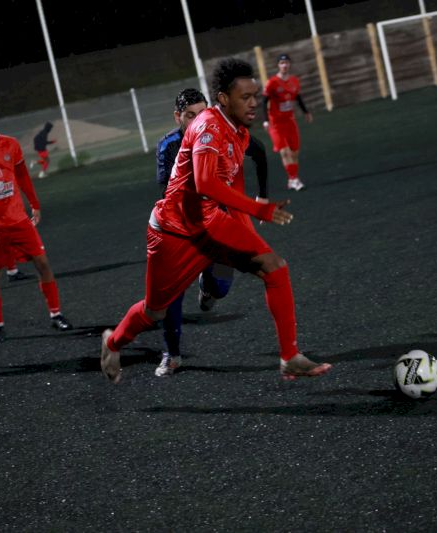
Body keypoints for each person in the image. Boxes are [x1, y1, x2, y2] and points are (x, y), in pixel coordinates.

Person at [99, 58, 332, 384]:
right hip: (173, 232)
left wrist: (248, 219)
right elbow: (206, 182)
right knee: (155, 311)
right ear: (223, 98)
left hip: (209, 222)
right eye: (245, 97)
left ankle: (289, 357)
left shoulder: (239, 131)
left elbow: (235, 177)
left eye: (255, 95)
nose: (254, 103)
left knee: (274, 267)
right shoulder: (208, 127)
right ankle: (112, 343)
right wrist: (258, 209)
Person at [153, 87, 270, 377]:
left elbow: (259, 152)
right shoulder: (168, 146)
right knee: (171, 290)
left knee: (221, 288)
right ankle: (171, 354)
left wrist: (263, 195)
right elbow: (168, 192)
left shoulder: (225, 133)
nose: (196, 121)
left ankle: (208, 287)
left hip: (219, 224)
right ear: (177, 117)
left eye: (201, 113)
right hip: (184, 226)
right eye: (189, 115)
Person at [0, 100, 73, 343]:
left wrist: (35, 204)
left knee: (43, 263)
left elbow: (22, 176)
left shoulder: (11, 144)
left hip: (18, 220)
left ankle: (56, 314)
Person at [262, 53, 313, 192]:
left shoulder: (294, 81)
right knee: (284, 152)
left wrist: (306, 112)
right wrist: (266, 120)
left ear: (289, 64)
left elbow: (298, 97)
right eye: (281, 63)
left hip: (290, 121)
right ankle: (294, 179)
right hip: (276, 123)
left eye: (286, 63)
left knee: (294, 152)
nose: (284, 65)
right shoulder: (272, 82)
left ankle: (292, 180)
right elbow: (264, 101)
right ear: (278, 65)